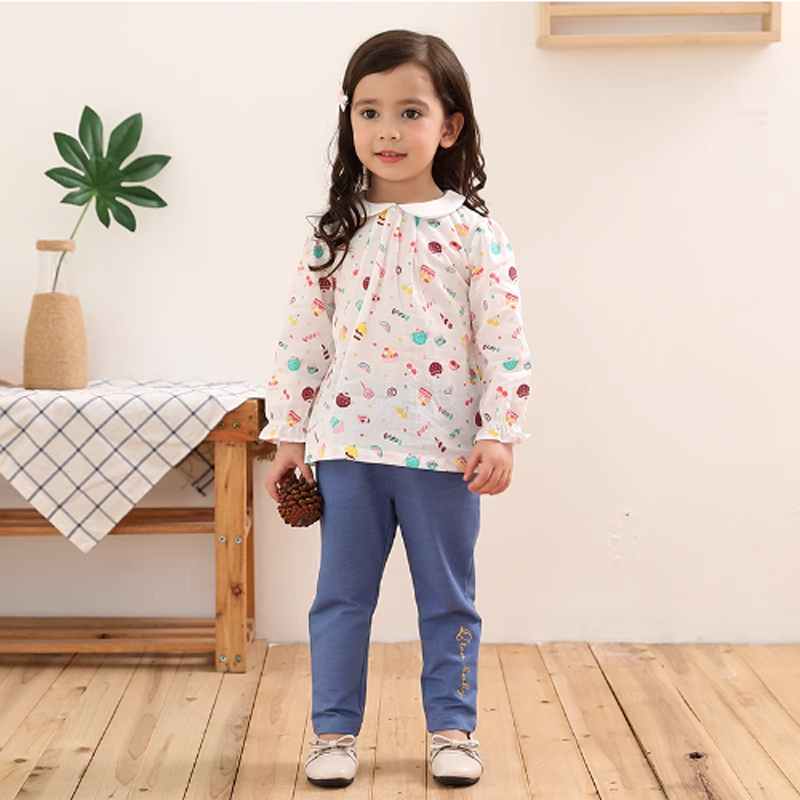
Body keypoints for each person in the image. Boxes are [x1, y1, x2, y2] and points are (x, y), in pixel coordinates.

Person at [262, 28, 531, 789]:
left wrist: (501, 431)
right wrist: (288, 435)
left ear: (448, 127)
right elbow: (302, 341)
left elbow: (505, 340)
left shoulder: (474, 235)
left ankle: (454, 728)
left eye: (410, 112)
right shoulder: (333, 236)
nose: (387, 129)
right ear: (349, 120)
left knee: (449, 600)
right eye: (369, 111)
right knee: (341, 599)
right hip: (346, 448)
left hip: (444, 454)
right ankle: (332, 733)